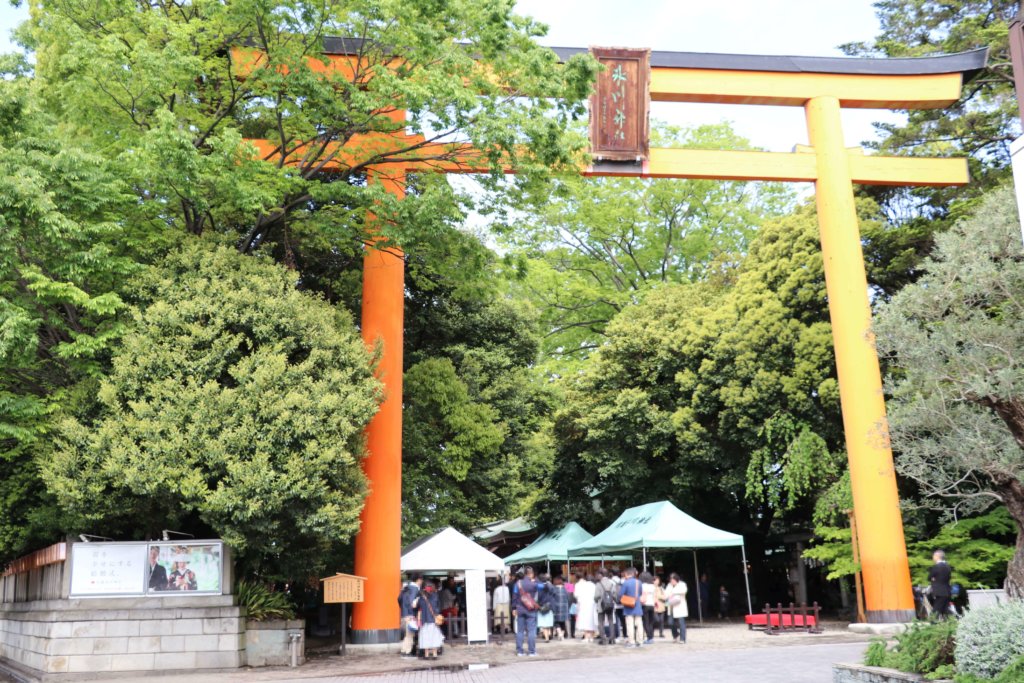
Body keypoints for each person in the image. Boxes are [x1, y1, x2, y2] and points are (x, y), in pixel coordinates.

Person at [515, 566, 540, 656]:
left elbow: (514, 596)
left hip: (520, 609)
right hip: (531, 609)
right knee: (531, 631)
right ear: (531, 574)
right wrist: (536, 581)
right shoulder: (534, 584)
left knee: (520, 630)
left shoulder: (518, 583)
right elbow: (543, 586)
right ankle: (532, 652)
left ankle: (520, 651)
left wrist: (513, 608)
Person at [416, 581, 444, 660]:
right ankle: (435, 654)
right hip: (433, 620)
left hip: (424, 621)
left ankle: (427, 654)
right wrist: (436, 614)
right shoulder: (435, 596)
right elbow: (438, 607)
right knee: (434, 637)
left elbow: (417, 607)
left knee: (425, 637)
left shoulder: (421, 598)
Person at [398, 574, 423, 658]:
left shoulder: (406, 588)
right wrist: (412, 613)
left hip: (404, 613)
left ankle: (404, 650)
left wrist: (403, 609)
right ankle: (407, 652)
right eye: (421, 580)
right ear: (418, 580)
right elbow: (413, 603)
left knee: (407, 634)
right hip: (411, 614)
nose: (422, 582)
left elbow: (399, 599)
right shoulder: (415, 589)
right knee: (410, 634)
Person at [619, 567, 644, 648]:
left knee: (630, 624)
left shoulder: (626, 583)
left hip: (628, 606)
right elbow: (640, 593)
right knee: (639, 624)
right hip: (637, 605)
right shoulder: (639, 582)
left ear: (627, 574)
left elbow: (620, 594)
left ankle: (632, 641)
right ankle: (640, 641)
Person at [928, 550, 953, 620]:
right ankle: (955, 620)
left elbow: (929, 577)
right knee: (944, 608)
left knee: (936, 608)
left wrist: (934, 578)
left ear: (937, 556)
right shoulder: (948, 566)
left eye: (933, 556)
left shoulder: (936, 567)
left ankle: (932, 622)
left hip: (939, 591)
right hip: (947, 590)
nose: (933, 558)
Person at [594, 569, 616, 644]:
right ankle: (612, 639)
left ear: (601, 575)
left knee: (601, 622)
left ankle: (603, 639)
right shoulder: (612, 583)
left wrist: (597, 600)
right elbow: (614, 595)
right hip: (610, 604)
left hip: (601, 605)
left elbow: (596, 596)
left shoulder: (598, 584)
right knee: (611, 621)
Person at [574, 573, 597, 642]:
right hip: (593, 604)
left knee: (585, 620)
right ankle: (592, 637)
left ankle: (587, 637)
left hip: (584, 604)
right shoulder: (594, 585)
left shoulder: (582, 585)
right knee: (592, 620)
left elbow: (576, 595)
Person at [667, 573, 688, 643]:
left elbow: (684, 591)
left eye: (673, 579)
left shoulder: (682, 584)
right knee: (670, 622)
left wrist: (673, 593)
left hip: (680, 606)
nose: (671, 581)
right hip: (671, 606)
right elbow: (666, 593)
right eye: (671, 579)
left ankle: (683, 639)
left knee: (681, 623)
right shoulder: (669, 585)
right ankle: (675, 634)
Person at [550, 575, 570, 641]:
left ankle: (559, 633)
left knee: (556, 621)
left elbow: (551, 598)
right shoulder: (567, 587)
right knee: (563, 621)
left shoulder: (553, 588)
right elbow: (569, 597)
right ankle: (562, 635)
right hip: (565, 606)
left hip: (556, 607)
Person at [536, 573, 554, 641]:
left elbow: (538, 597)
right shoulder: (551, 586)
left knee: (544, 623)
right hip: (549, 606)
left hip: (542, 606)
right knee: (548, 622)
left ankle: (546, 638)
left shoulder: (539, 587)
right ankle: (549, 633)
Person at [640, 572, 656, 644]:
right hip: (652, 605)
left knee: (645, 622)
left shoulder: (642, 585)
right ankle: (651, 637)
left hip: (645, 605)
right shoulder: (652, 586)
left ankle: (649, 638)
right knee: (651, 622)